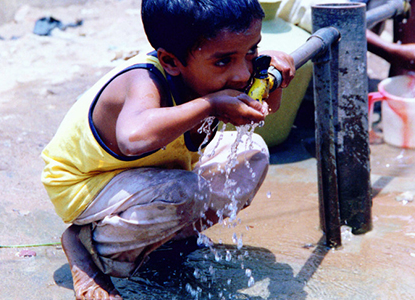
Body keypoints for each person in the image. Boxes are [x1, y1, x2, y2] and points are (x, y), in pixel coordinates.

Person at [40, 0, 295, 298]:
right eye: (225, 61)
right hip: (89, 183)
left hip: (158, 173)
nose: (241, 74)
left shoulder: (229, 68)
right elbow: (132, 138)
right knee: (187, 191)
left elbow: (265, 109)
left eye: (251, 51)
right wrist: (210, 105)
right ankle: (89, 247)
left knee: (252, 154)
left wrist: (273, 76)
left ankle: (166, 239)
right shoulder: (144, 80)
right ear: (171, 61)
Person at [277, 0, 415, 76]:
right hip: (304, 60)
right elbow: (327, 15)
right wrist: (390, 51)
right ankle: (345, 112)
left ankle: (403, 84)